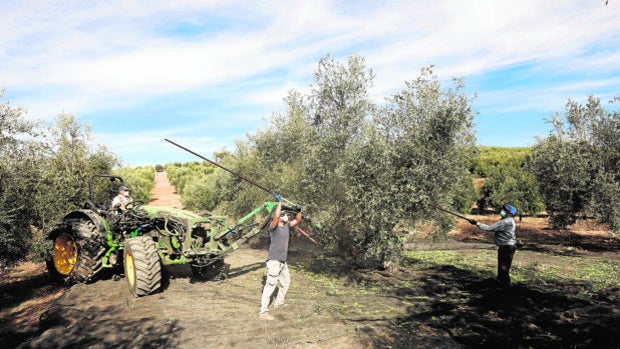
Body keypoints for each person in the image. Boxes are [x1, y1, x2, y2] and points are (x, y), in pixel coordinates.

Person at [259, 194, 302, 321]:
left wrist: (299, 211)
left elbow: (298, 220)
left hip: (283, 262)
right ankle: (263, 312)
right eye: (285, 215)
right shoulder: (274, 227)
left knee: (286, 282)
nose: (287, 217)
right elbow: (276, 216)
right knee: (270, 286)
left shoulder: (287, 226)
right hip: (274, 261)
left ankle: (278, 303)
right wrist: (279, 203)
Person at [469, 205, 517, 287]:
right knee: (503, 266)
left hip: (506, 246)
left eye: (504, 210)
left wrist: (476, 223)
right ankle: (501, 282)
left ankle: (504, 285)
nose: (502, 211)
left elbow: (489, 228)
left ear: (509, 213)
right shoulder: (509, 220)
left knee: (503, 267)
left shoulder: (505, 221)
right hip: (507, 246)